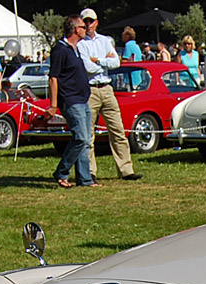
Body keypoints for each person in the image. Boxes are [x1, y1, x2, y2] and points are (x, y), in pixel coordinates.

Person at [78, 8, 141, 182]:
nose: (89, 25)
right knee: (88, 134)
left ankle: (126, 170)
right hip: (90, 90)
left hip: (106, 88)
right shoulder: (81, 44)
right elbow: (86, 68)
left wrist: (97, 60)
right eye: (86, 22)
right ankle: (89, 172)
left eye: (91, 21)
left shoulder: (105, 40)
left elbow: (115, 63)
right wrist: (104, 62)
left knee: (118, 130)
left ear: (96, 22)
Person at [48, 14, 97, 188]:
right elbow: (53, 78)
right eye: (84, 27)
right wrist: (54, 105)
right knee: (80, 138)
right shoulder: (60, 50)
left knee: (85, 141)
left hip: (82, 99)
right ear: (76, 29)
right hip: (70, 100)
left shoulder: (75, 49)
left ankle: (85, 179)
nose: (87, 29)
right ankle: (61, 172)